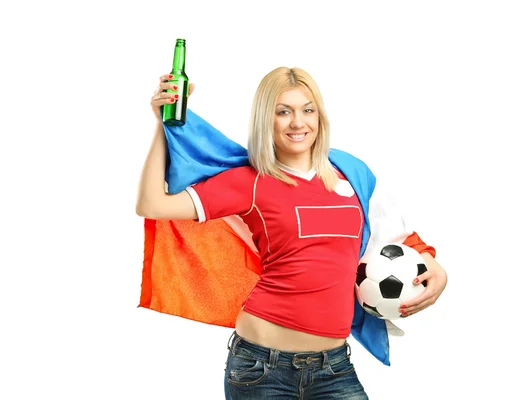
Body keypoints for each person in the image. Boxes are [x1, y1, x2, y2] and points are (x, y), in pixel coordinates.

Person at [136, 66, 448, 399]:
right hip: (260, 369)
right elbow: (152, 204)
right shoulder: (249, 182)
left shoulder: (351, 174)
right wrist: (162, 126)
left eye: (307, 110)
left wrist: (437, 271)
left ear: (319, 116)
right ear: (265, 120)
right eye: (283, 111)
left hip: (334, 368)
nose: (298, 122)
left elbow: (394, 239)